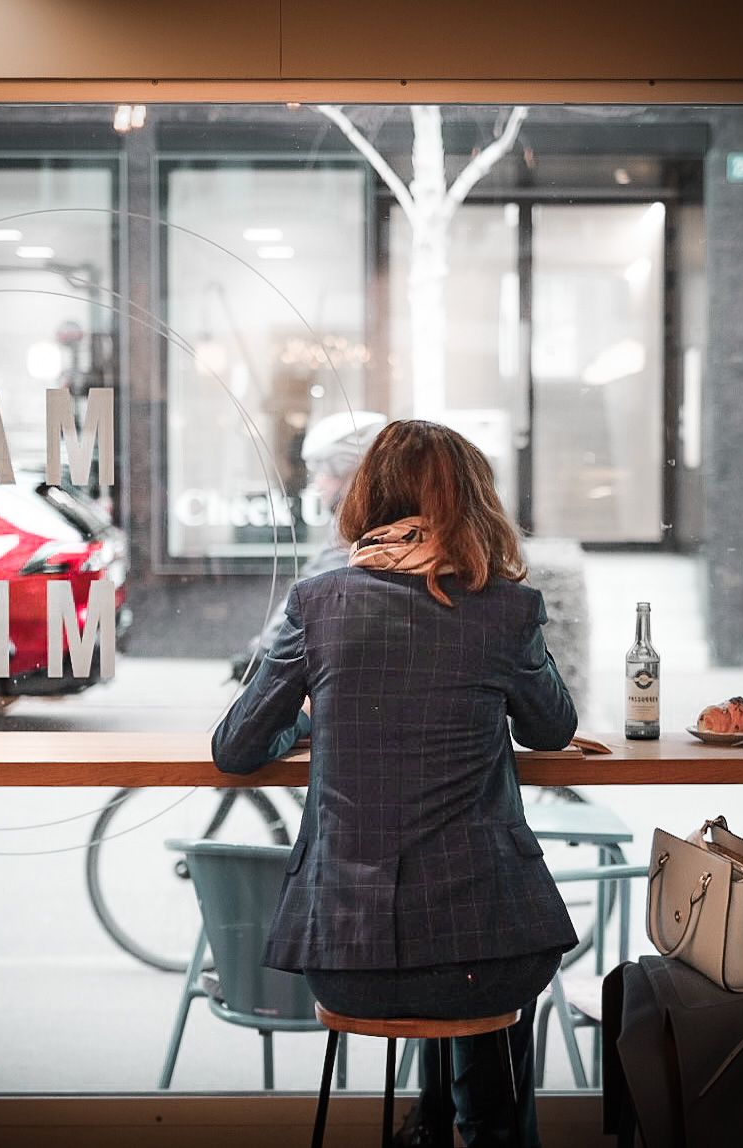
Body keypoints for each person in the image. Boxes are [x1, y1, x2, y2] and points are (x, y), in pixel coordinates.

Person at [212, 419, 578, 1147]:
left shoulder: (319, 603)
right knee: (480, 961)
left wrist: (319, 712)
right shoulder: (505, 610)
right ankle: (483, 1129)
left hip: (347, 956)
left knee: (446, 949)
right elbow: (551, 730)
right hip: (486, 951)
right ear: (476, 503)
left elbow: (237, 746)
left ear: (367, 498)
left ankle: (432, 1126)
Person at [229, 410, 387, 683]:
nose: (317, 484)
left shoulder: (356, 523)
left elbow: (311, 586)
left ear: (349, 471)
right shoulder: (374, 513)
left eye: (324, 473)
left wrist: (263, 649)